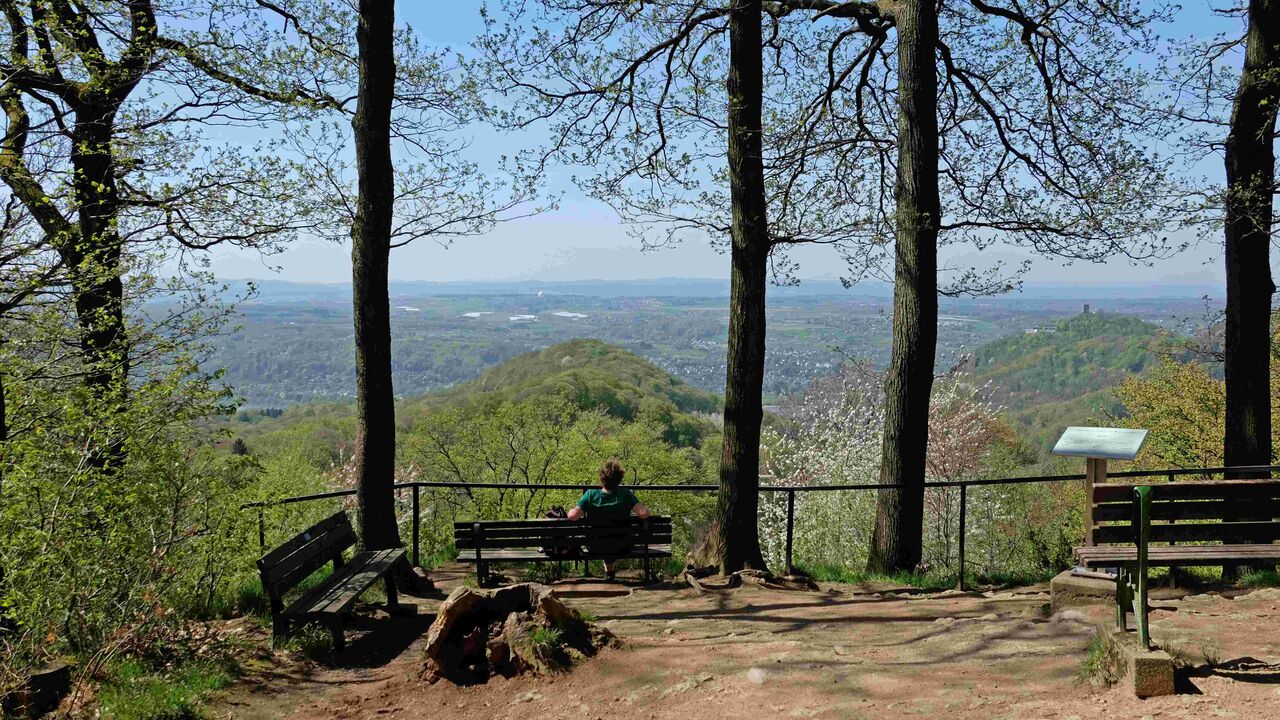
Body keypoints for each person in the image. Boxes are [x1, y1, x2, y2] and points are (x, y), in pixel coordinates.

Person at [568, 459, 650, 580]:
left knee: (606, 543)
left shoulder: (590, 495)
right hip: (623, 546)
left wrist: (571, 509)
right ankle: (610, 573)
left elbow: (572, 516)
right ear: (619, 479)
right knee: (613, 543)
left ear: (602, 479)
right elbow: (644, 514)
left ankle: (609, 573)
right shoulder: (626, 495)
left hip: (596, 546)